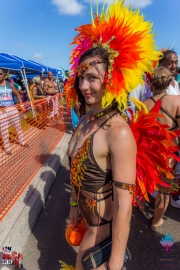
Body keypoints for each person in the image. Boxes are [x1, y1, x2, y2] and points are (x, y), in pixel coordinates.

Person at [60, 1, 168, 269]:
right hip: (86, 227)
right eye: (81, 77)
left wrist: (115, 263)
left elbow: (124, 206)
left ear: (111, 78)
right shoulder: (86, 119)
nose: (84, 85)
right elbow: (75, 168)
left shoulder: (118, 132)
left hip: (101, 237)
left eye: (93, 78)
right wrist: (74, 206)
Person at [143, 66, 180, 230]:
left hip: (149, 153)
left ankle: (144, 204)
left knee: (149, 182)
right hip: (169, 154)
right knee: (165, 190)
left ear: (151, 83)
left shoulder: (144, 104)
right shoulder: (177, 101)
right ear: (169, 81)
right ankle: (156, 221)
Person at [0, 68, 29, 155]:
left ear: (4, 75)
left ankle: (22, 141)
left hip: (12, 108)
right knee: (4, 130)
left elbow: (17, 94)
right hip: (1, 111)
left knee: (18, 126)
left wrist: (21, 105)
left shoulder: (10, 84)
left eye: (0, 74)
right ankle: (7, 148)